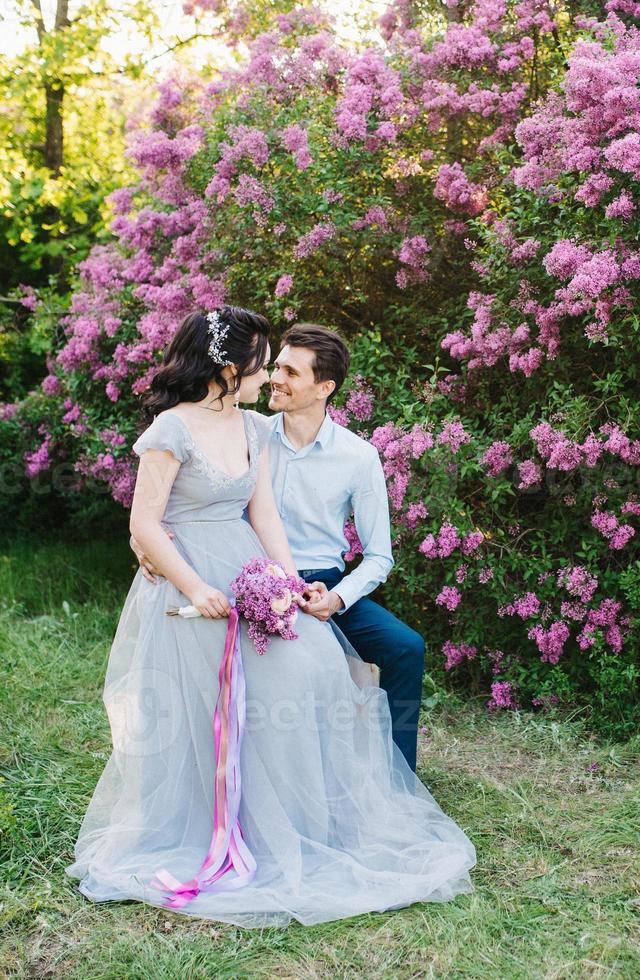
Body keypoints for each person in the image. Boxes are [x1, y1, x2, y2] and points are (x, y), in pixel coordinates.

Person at [65, 305, 475, 928]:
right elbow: (144, 519)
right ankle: (206, 824)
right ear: (230, 369)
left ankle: (314, 813)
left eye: (282, 368)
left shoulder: (262, 432)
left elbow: (265, 516)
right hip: (190, 581)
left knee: (308, 670)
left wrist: (286, 586)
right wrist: (190, 580)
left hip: (259, 569)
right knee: (201, 705)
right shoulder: (171, 430)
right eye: (263, 364)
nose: (269, 377)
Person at [134, 323, 426, 772]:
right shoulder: (248, 427)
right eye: (273, 367)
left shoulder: (358, 456)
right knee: (296, 669)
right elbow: (176, 497)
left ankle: (396, 774)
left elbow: (379, 555)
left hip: (321, 583)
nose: (274, 377)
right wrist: (141, 536)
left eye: (289, 372)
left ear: (324, 387)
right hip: (244, 572)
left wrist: (336, 596)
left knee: (405, 647)